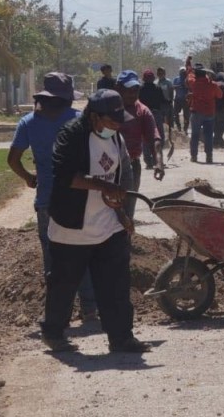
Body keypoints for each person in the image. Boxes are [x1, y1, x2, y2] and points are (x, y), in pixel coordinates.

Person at [40, 89, 151, 353]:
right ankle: (54, 333)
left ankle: (121, 337)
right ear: (94, 117)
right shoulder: (71, 136)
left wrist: (122, 212)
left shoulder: (115, 138)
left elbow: (122, 172)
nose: (116, 126)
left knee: (116, 285)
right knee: (64, 285)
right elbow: (66, 177)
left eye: (119, 122)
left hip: (107, 225)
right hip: (72, 227)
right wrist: (102, 187)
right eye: (112, 121)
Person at [7, 73, 97, 321]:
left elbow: (12, 160)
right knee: (82, 254)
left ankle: (58, 313)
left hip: (47, 200)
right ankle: (89, 308)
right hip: (80, 200)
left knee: (53, 259)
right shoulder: (80, 121)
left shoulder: (28, 122)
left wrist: (28, 177)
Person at [115, 70, 165, 218]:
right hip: (105, 167)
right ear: (118, 88)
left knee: (127, 210)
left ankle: (125, 239)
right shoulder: (106, 107)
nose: (132, 94)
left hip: (130, 167)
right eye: (128, 90)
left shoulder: (142, 111)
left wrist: (159, 163)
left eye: (135, 90)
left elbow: (154, 138)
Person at [183, 57, 224, 164]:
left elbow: (189, 75)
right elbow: (220, 95)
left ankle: (194, 156)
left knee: (195, 135)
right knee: (209, 135)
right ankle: (209, 156)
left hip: (196, 112)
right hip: (210, 113)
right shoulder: (212, 85)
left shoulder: (194, 83)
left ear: (196, 73)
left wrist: (188, 64)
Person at [138, 68, 166, 147]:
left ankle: (147, 156)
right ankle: (159, 149)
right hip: (156, 114)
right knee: (159, 134)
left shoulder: (140, 89)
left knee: (145, 133)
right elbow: (163, 102)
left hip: (144, 115)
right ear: (153, 78)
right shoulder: (157, 88)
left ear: (143, 78)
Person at [157, 67, 175, 140]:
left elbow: (171, 92)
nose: (160, 74)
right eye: (159, 73)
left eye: (162, 73)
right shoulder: (156, 82)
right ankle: (161, 138)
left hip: (167, 104)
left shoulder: (168, 82)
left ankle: (171, 137)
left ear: (164, 73)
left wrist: (170, 101)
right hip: (159, 105)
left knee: (170, 122)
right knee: (159, 122)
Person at [172, 67, 188, 133]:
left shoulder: (187, 79)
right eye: (181, 71)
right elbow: (173, 87)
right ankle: (178, 127)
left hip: (186, 100)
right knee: (175, 114)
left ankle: (185, 128)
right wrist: (178, 86)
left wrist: (185, 86)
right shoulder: (176, 79)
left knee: (186, 115)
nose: (182, 73)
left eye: (183, 71)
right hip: (177, 99)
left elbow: (190, 88)